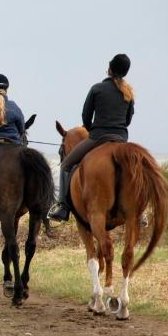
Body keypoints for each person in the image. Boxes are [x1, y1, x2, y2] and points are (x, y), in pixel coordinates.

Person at [49, 54, 134, 221]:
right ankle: (140, 212)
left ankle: (63, 207)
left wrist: (90, 129)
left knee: (66, 165)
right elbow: (128, 120)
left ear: (109, 68)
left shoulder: (97, 88)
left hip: (98, 137)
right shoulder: (129, 93)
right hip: (121, 139)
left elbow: (85, 116)